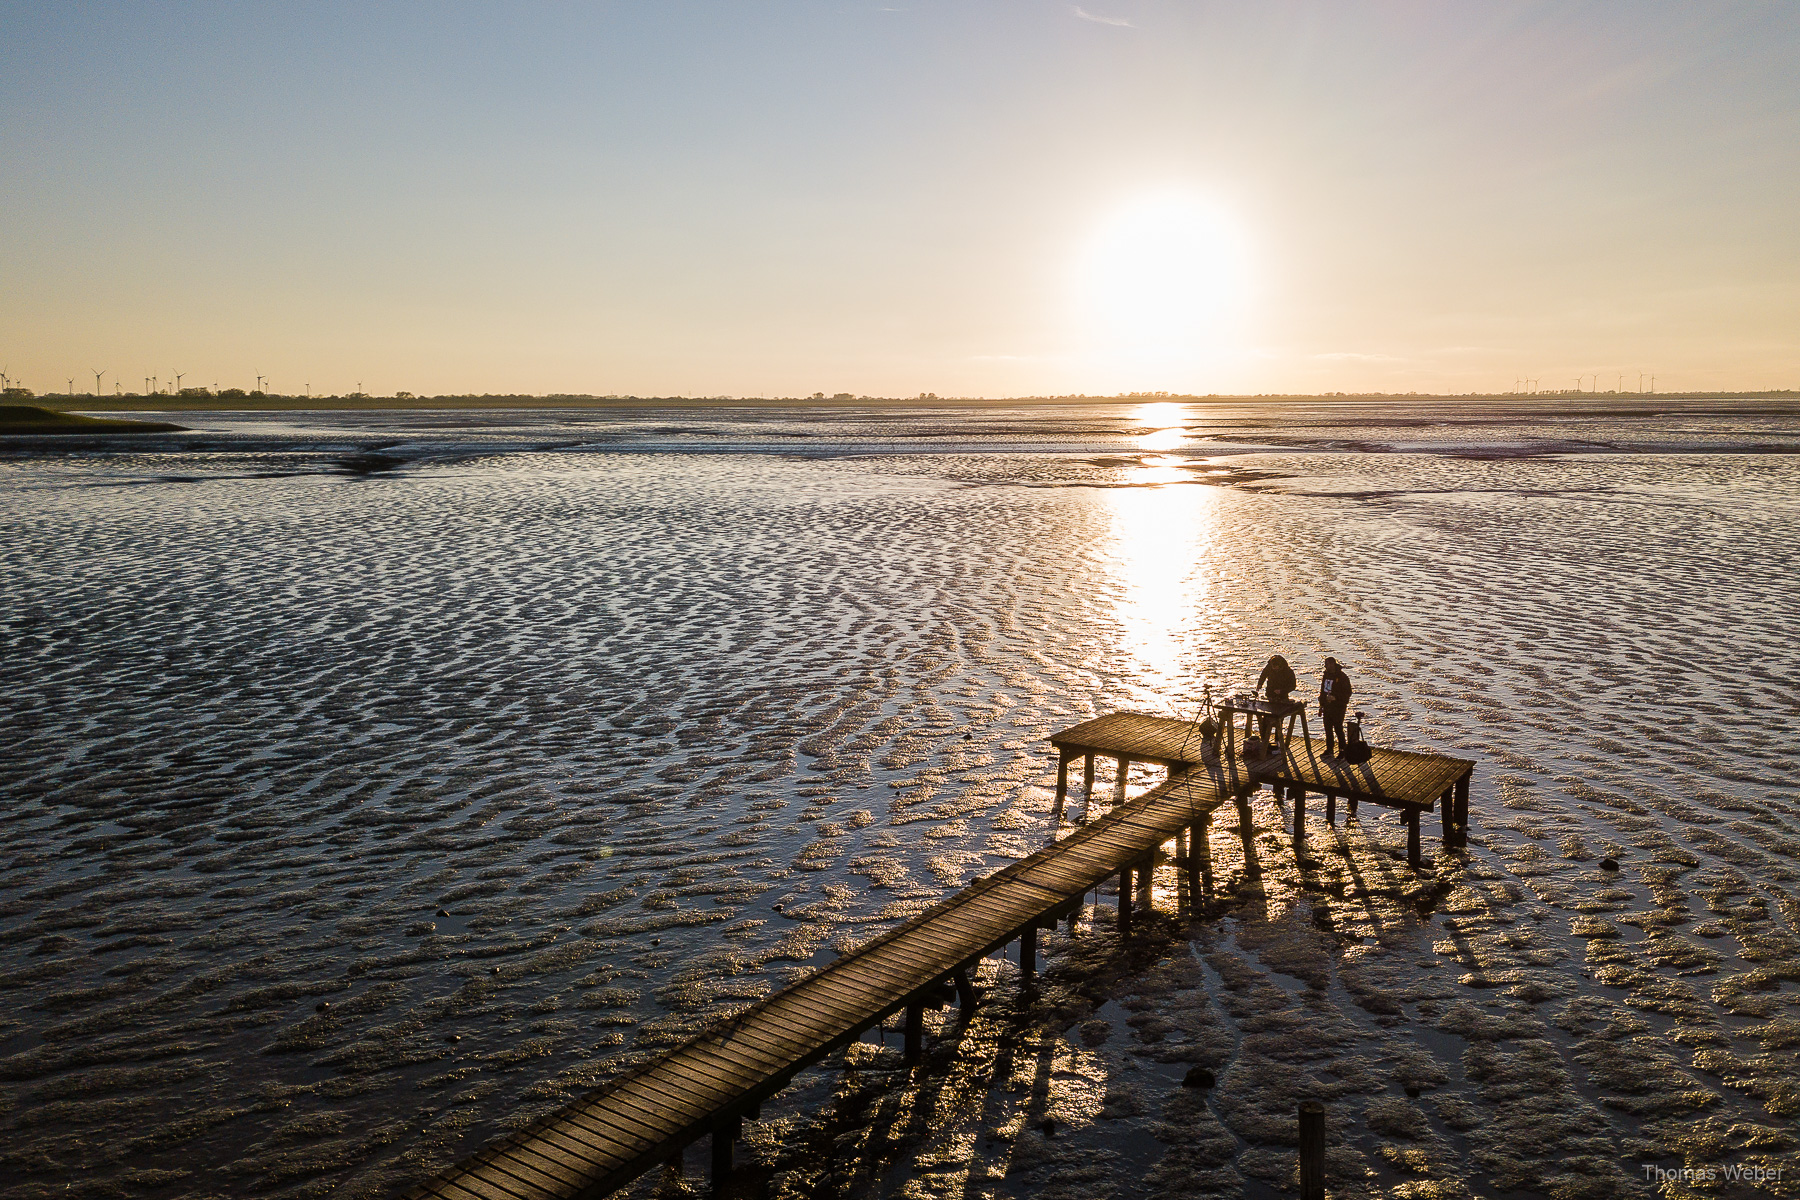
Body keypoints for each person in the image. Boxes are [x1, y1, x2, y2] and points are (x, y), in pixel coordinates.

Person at [1255, 654, 1297, 742]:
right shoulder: (1269, 666)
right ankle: (1264, 740)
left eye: (1276, 668)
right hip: (1270, 694)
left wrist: (1282, 691)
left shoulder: (1288, 672)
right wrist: (1260, 684)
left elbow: (1293, 686)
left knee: (1279, 719)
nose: (1274, 669)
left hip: (1282, 697)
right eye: (1273, 668)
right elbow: (1263, 675)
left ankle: (1278, 741)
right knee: (1266, 718)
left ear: (1280, 666)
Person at [1319, 656, 1353, 757]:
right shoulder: (1326, 675)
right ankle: (1329, 749)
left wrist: (1336, 698)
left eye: (1327, 664)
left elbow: (1348, 692)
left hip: (1338, 707)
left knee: (1338, 728)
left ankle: (1342, 749)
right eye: (1325, 664)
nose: (1326, 666)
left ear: (1333, 664)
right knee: (1328, 728)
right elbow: (1322, 690)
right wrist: (1321, 704)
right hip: (1327, 706)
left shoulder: (1342, 677)